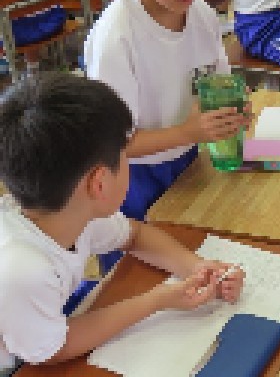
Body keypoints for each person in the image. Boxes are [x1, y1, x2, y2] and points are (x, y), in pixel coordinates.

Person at [0, 73, 244, 376]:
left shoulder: (65, 208)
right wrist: (157, 300)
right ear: (99, 183)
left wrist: (196, 267)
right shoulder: (23, 268)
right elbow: (54, 349)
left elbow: (135, 235)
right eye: (124, 155)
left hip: (40, 325)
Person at [85, 0, 250, 271]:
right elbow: (113, 145)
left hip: (187, 165)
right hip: (129, 182)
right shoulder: (116, 36)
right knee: (136, 280)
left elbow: (218, 80)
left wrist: (233, 108)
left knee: (194, 268)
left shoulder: (201, 14)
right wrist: (189, 132)